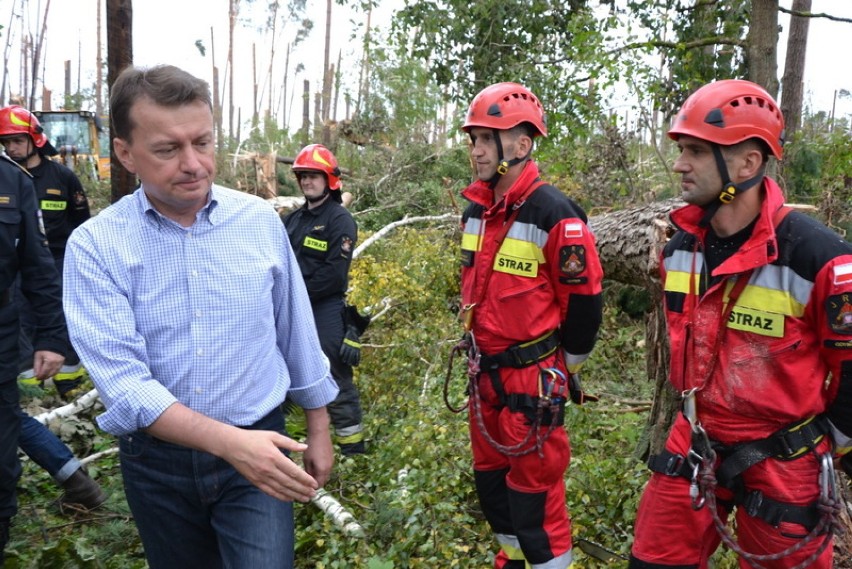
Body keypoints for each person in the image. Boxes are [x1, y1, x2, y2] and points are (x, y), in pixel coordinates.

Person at [62, 64, 339, 569]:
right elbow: (126, 386)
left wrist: (318, 424)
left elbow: (294, 329)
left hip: (260, 445)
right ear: (125, 153)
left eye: (203, 143)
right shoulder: (97, 247)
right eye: (168, 149)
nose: (193, 164)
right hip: (157, 465)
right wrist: (233, 445)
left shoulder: (257, 222)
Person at [628, 79, 852, 569]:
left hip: (785, 453)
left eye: (696, 152)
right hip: (697, 437)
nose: (680, 164)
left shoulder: (818, 257)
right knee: (652, 560)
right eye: (682, 150)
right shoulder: (681, 248)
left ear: (747, 164)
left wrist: (826, 441)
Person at [458, 82, 604, 569]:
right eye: (473, 138)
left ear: (521, 146)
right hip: (485, 376)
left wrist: (563, 367)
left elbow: (584, 303)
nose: (476, 149)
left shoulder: (555, 214)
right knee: (493, 488)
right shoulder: (475, 212)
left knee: (534, 497)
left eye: (486, 138)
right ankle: (512, 560)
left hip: (532, 380)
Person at [0, 155, 68, 562]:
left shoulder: (13, 180)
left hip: (1, 338)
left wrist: (52, 336)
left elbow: (38, 266)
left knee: (2, 465)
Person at [0, 105, 91, 399]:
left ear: (35, 138)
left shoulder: (62, 178)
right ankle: (30, 394)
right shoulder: (8, 179)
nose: (12, 148)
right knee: (22, 324)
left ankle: (70, 388)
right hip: (19, 267)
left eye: (17, 140)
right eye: (6, 142)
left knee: (62, 321)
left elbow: (81, 224)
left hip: (59, 263)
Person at [283, 144, 366, 455]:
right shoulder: (292, 220)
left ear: (329, 179)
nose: (307, 181)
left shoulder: (339, 220)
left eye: (313, 176)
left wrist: (297, 293)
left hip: (324, 308)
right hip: (290, 307)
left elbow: (334, 276)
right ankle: (288, 443)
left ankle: (352, 452)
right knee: (283, 369)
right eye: (303, 176)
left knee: (335, 374)